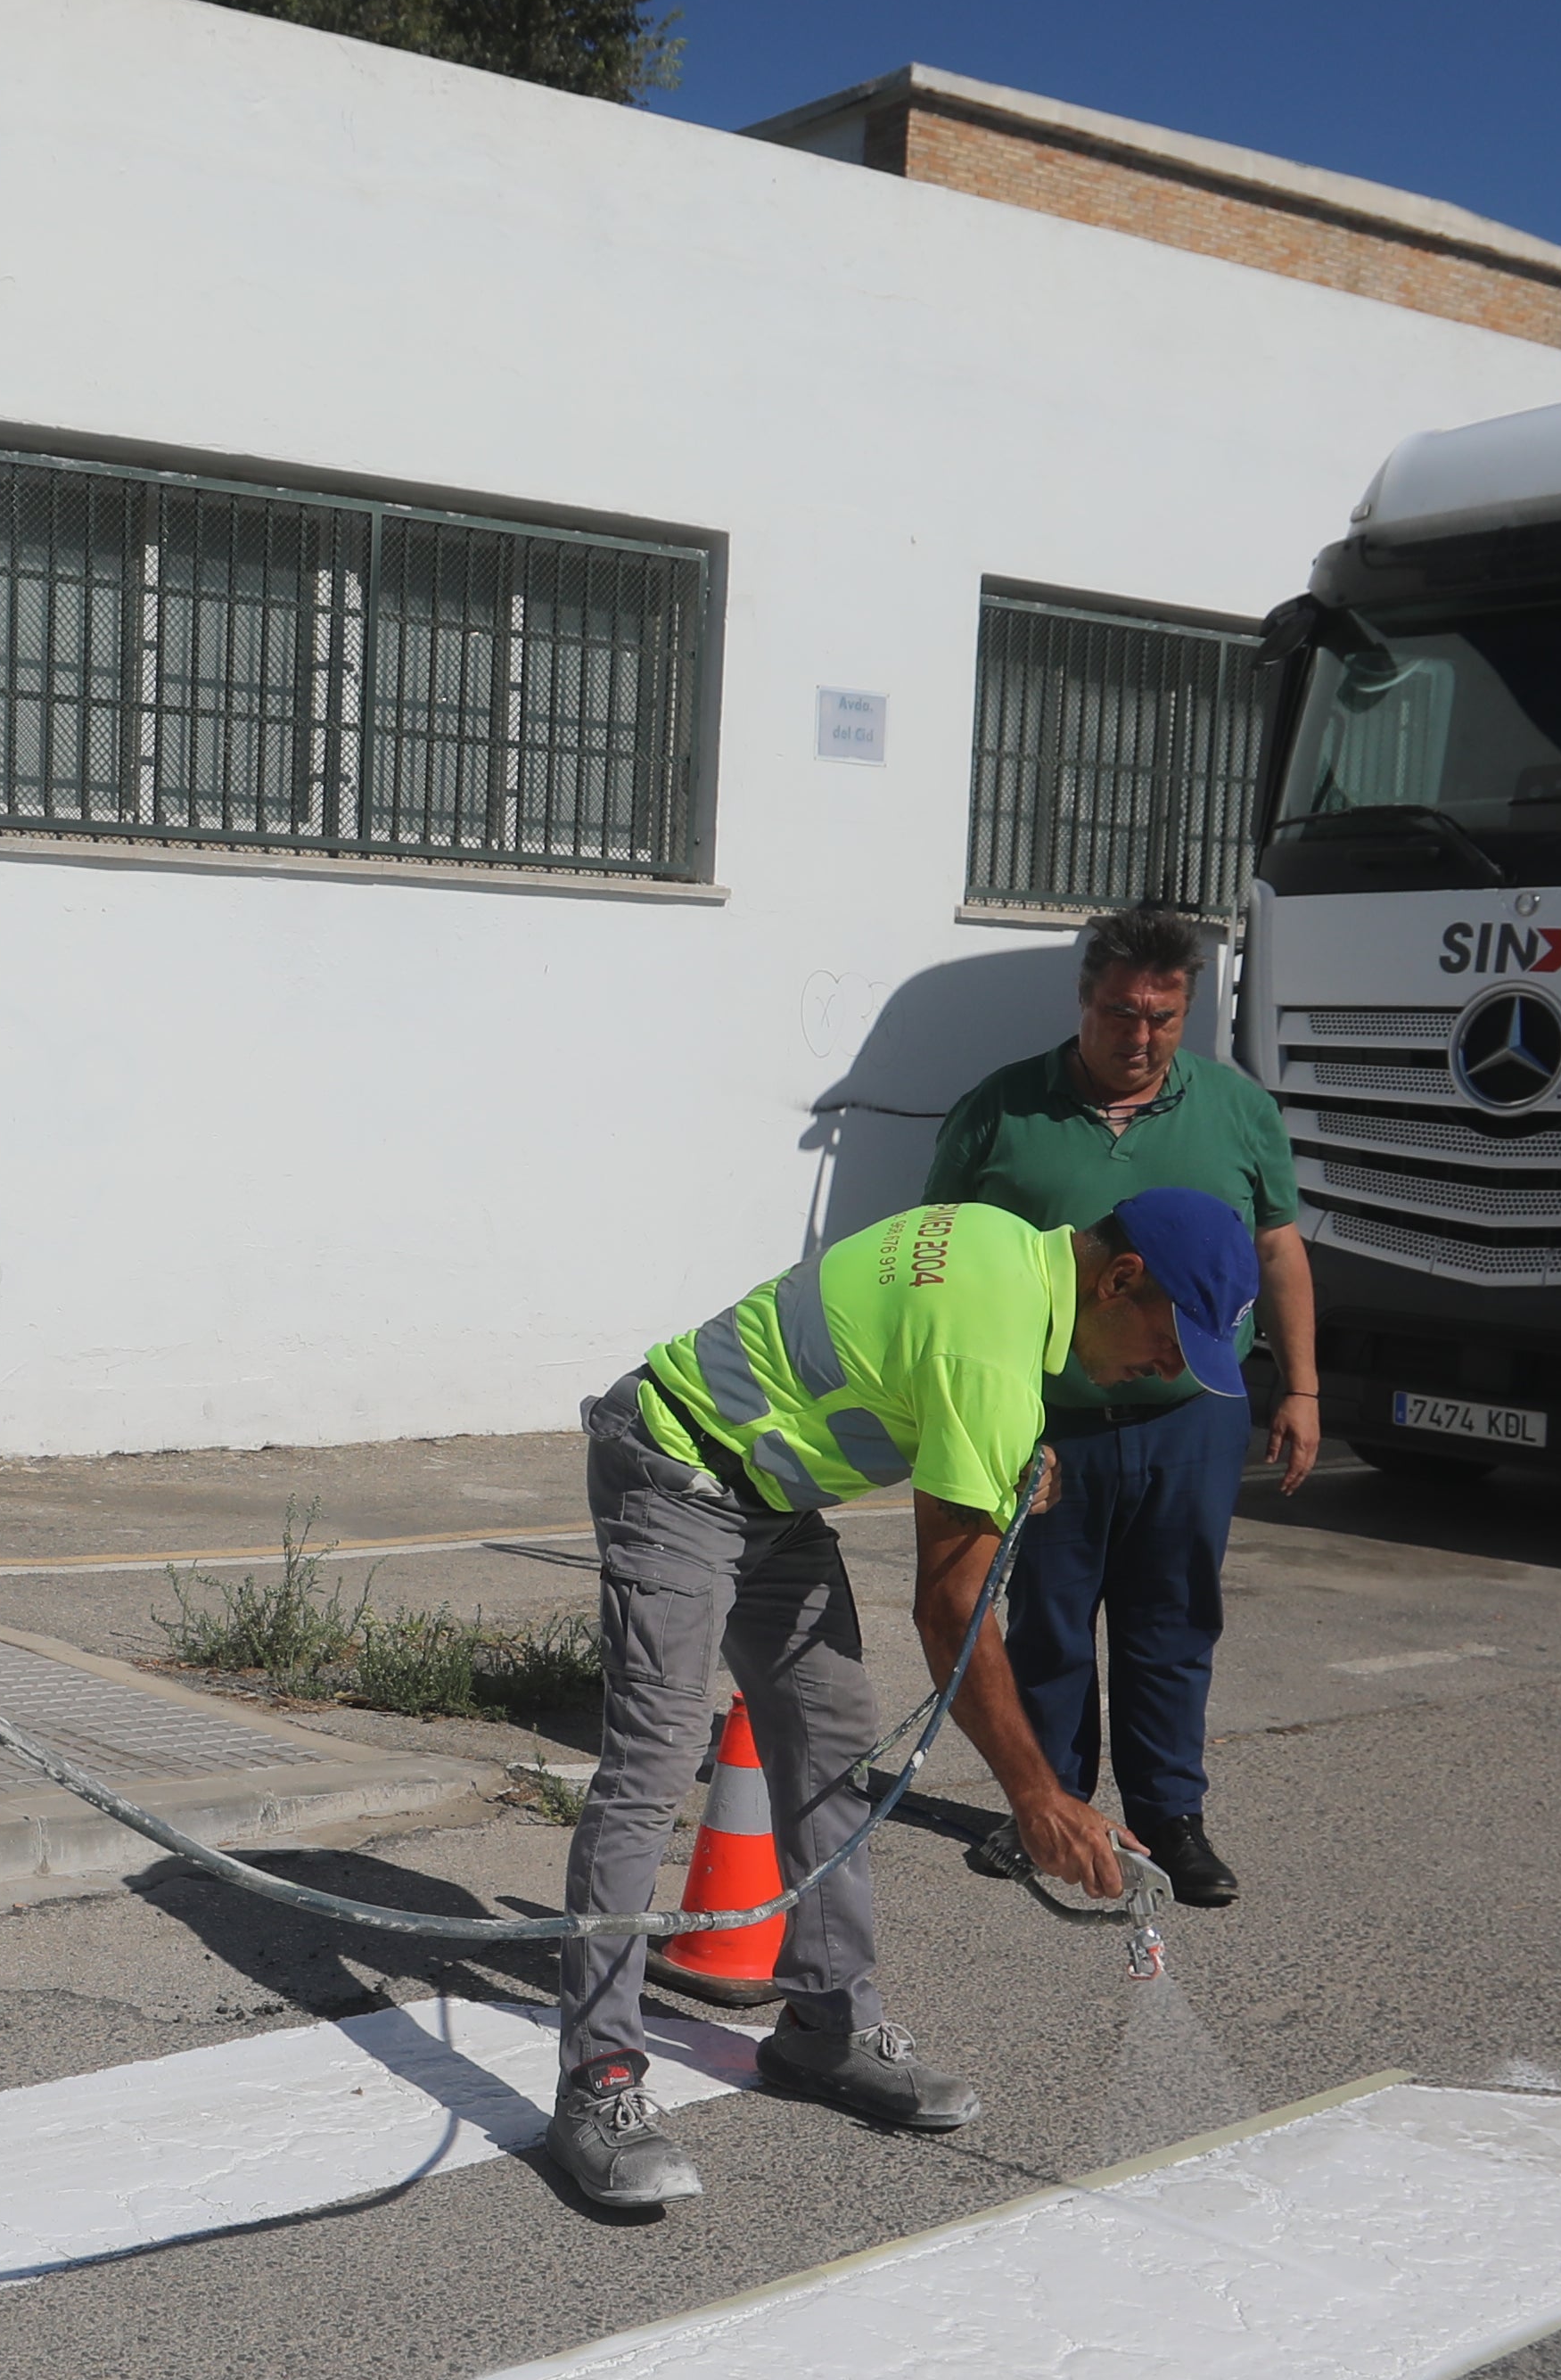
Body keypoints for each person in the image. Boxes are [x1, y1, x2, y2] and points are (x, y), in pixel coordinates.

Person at [546, 1196, 1238, 2213]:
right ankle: (597, 2083)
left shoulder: (1007, 1253)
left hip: (767, 1496)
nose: (1169, 1368)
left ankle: (828, 2028)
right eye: (1173, 1339)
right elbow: (950, 1613)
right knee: (650, 1767)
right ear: (1122, 1278)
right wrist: (1038, 1799)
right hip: (672, 1461)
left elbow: (915, 1379)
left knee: (828, 1746)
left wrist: (1003, 1460)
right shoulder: (994, 1349)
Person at [922, 906, 1317, 1907]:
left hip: (1190, 1419)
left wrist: (1303, 1385)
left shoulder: (1236, 1111)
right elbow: (939, 1247)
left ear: (1187, 1010)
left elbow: (1279, 1247)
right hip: (1047, 1421)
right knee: (1048, 1621)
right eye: (1119, 1012)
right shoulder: (999, 1111)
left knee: (1172, 1619)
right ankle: (1047, 1810)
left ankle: (1171, 1820)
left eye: (1163, 1017)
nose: (1139, 1037)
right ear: (1083, 1000)